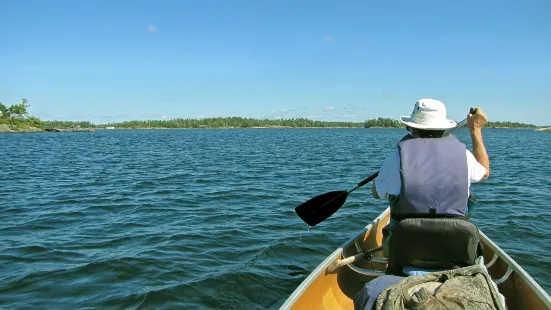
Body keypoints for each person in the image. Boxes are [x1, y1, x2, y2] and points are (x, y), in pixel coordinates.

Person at [371, 98, 490, 258]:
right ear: (443, 128)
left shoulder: (396, 158)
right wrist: (475, 130)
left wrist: (383, 176)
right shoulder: (464, 155)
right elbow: (485, 173)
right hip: (454, 251)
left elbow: (376, 193)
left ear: (411, 128)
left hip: (406, 251)